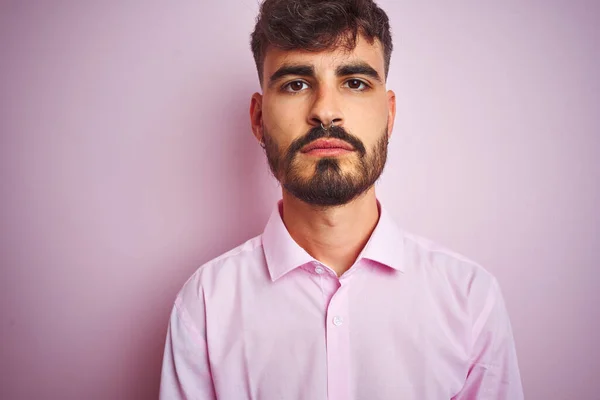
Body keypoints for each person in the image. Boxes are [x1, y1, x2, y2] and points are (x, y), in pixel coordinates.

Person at [159, 0, 524, 398]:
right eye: (296, 83)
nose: (326, 112)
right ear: (258, 119)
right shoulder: (206, 305)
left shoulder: (470, 299)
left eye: (354, 82)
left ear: (389, 114)